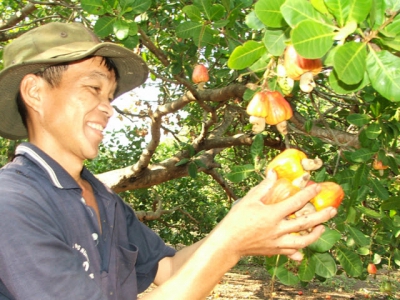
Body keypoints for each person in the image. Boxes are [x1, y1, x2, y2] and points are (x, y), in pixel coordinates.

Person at [0, 22, 337, 300]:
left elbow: (169, 268)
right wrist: (231, 243)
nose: (107, 108)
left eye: (110, 95)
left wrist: (248, 224)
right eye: (92, 88)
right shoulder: (12, 202)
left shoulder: (103, 199)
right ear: (35, 93)